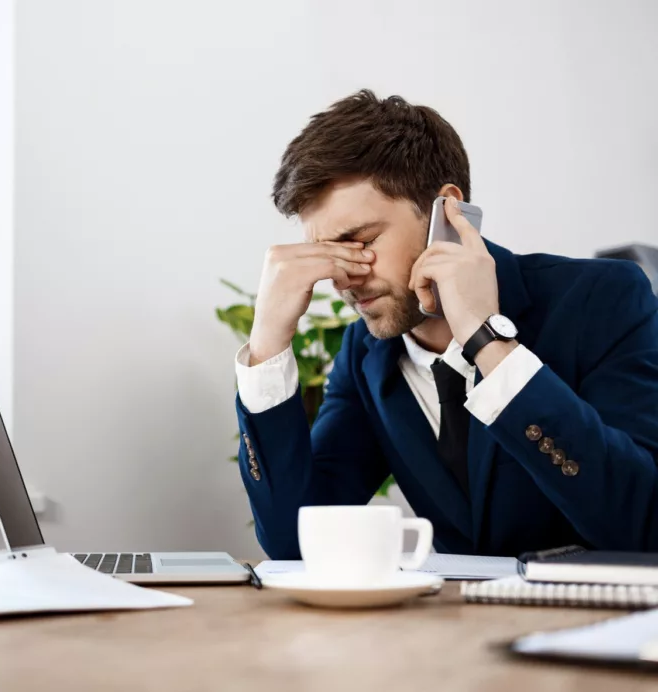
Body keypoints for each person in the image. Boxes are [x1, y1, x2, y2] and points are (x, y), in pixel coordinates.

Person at [236, 89, 658, 558]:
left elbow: (643, 523)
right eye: (325, 252)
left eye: (358, 242)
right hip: (454, 628)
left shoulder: (601, 299)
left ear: (446, 211)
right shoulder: (366, 355)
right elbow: (294, 544)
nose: (341, 277)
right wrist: (267, 346)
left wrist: (486, 338)